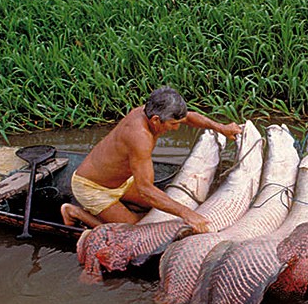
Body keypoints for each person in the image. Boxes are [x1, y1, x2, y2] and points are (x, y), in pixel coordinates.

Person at [60, 86, 241, 231]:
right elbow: (146, 189)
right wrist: (187, 213)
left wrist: (221, 128)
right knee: (134, 231)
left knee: (154, 209)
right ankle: (74, 211)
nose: (177, 128)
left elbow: (189, 117)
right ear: (156, 120)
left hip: (121, 181)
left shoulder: (149, 112)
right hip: (92, 188)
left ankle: (121, 207)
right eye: (173, 124)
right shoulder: (140, 137)